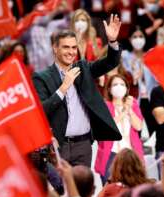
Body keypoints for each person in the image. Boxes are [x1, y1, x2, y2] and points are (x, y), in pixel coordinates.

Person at [32, 14, 122, 167]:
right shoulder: (41, 77)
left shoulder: (84, 68)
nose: (71, 52)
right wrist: (63, 88)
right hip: (59, 147)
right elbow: (41, 111)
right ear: (55, 48)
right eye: (66, 47)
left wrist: (112, 41)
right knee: (61, 191)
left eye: (74, 47)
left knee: (83, 190)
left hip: (84, 145)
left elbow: (110, 62)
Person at [95, 74, 144, 185]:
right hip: (111, 154)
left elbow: (139, 126)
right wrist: (124, 112)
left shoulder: (133, 104)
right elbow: (107, 126)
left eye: (122, 84)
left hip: (130, 153)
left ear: (127, 88)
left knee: (132, 186)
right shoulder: (104, 105)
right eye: (115, 84)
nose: (119, 87)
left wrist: (130, 110)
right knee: (111, 188)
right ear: (109, 89)